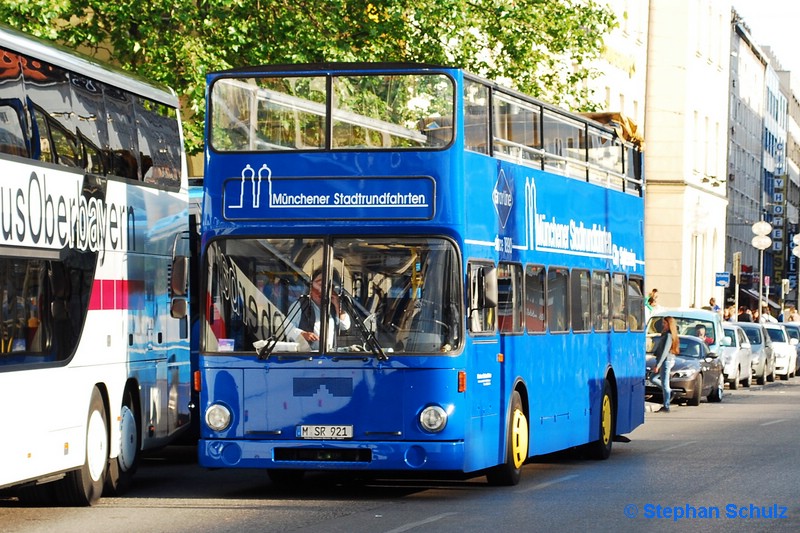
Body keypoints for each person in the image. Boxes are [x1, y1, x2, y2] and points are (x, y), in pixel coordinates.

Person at [285, 269, 351, 350]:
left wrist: (337, 306)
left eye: (327, 286)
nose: (322, 290)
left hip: (329, 355)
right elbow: (287, 328)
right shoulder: (299, 305)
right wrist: (303, 334)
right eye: (319, 284)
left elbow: (345, 326)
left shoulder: (333, 306)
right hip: (306, 356)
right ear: (311, 286)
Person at [651, 316, 680, 413]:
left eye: (665, 323)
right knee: (652, 378)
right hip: (664, 361)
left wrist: (658, 365)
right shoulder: (665, 334)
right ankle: (670, 392)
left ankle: (666, 405)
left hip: (666, 361)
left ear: (669, 324)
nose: (663, 325)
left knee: (664, 383)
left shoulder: (668, 336)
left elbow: (665, 351)